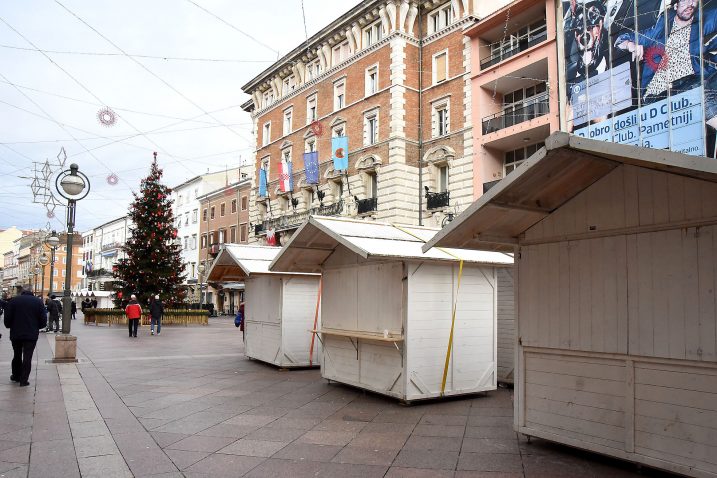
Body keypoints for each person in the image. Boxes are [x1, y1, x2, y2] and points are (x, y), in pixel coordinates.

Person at [615, 0, 717, 103]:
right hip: (658, 94)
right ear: (676, 5)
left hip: (692, 84)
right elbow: (620, 40)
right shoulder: (661, 29)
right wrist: (631, 45)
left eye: (693, 0)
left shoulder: (703, 22)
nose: (690, 4)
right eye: (685, 1)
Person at [4, 285, 47, 386]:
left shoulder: (13, 301)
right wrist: (36, 327)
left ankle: (16, 376)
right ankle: (24, 380)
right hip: (31, 334)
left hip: (16, 333)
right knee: (28, 357)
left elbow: (7, 320)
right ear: (32, 291)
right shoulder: (38, 302)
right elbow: (43, 321)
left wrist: (11, 326)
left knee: (17, 355)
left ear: (22, 291)